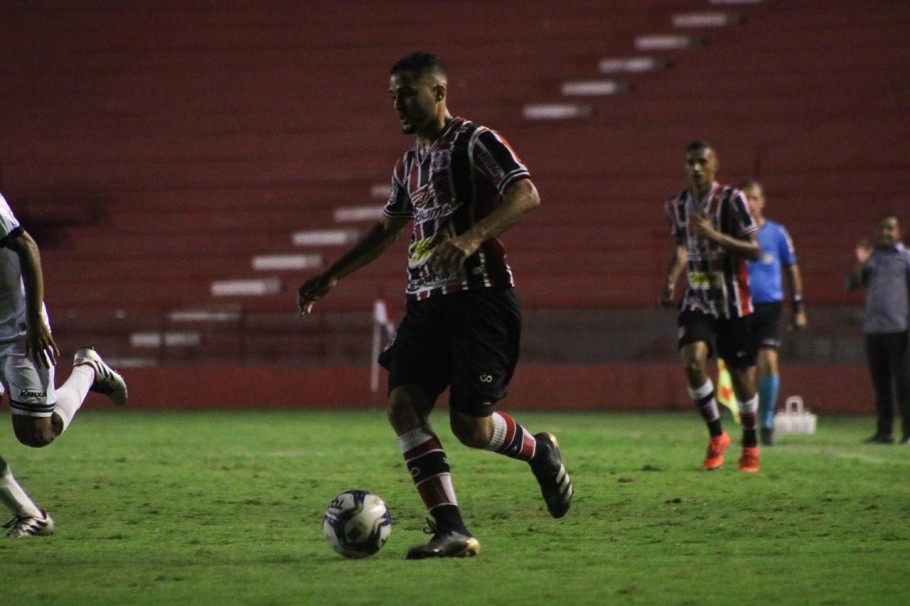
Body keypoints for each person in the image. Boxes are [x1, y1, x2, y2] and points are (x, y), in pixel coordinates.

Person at [298, 51, 573, 559]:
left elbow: (527, 194)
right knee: (402, 406)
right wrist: (332, 274)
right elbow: (387, 229)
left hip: (480, 300)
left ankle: (540, 452)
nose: (398, 104)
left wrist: (471, 239)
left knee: (470, 427)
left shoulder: (476, 141)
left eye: (407, 93)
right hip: (425, 305)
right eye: (392, 96)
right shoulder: (408, 163)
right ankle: (451, 528)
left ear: (439, 93)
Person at [0, 188, 128, 537]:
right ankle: (32, 516)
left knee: (38, 434)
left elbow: (27, 246)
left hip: (18, 328)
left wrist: (35, 319)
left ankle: (88, 370)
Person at [661, 140, 762, 472]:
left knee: (740, 378)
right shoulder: (677, 205)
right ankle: (717, 435)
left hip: (733, 302)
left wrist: (716, 236)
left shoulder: (733, 201)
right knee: (692, 361)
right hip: (698, 299)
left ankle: (750, 441)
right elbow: (682, 248)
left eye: (702, 162)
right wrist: (672, 277)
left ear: (715, 164)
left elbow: (754, 250)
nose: (696, 168)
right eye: (690, 162)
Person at [741, 179, 808, 446]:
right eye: (745, 199)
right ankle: (749, 424)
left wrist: (798, 307)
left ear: (763, 201)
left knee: (768, 360)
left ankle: (766, 424)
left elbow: (791, 268)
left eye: (754, 198)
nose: (750, 204)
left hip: (770, 306)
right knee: (745, 371)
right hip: (741, 306)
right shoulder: (733, 235)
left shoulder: (777, 233)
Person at [846, 213, 910, 444]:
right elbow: (850, 285)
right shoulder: (870, 259)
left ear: (899, 232)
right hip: (874, 330)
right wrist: (860, 264)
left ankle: (908, 433)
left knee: (904, 383)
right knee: (881, 385)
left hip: (900, 329)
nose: (885, 233)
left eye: (890, 229)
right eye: (882, 228)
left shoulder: (906, 258)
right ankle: (884, 432)